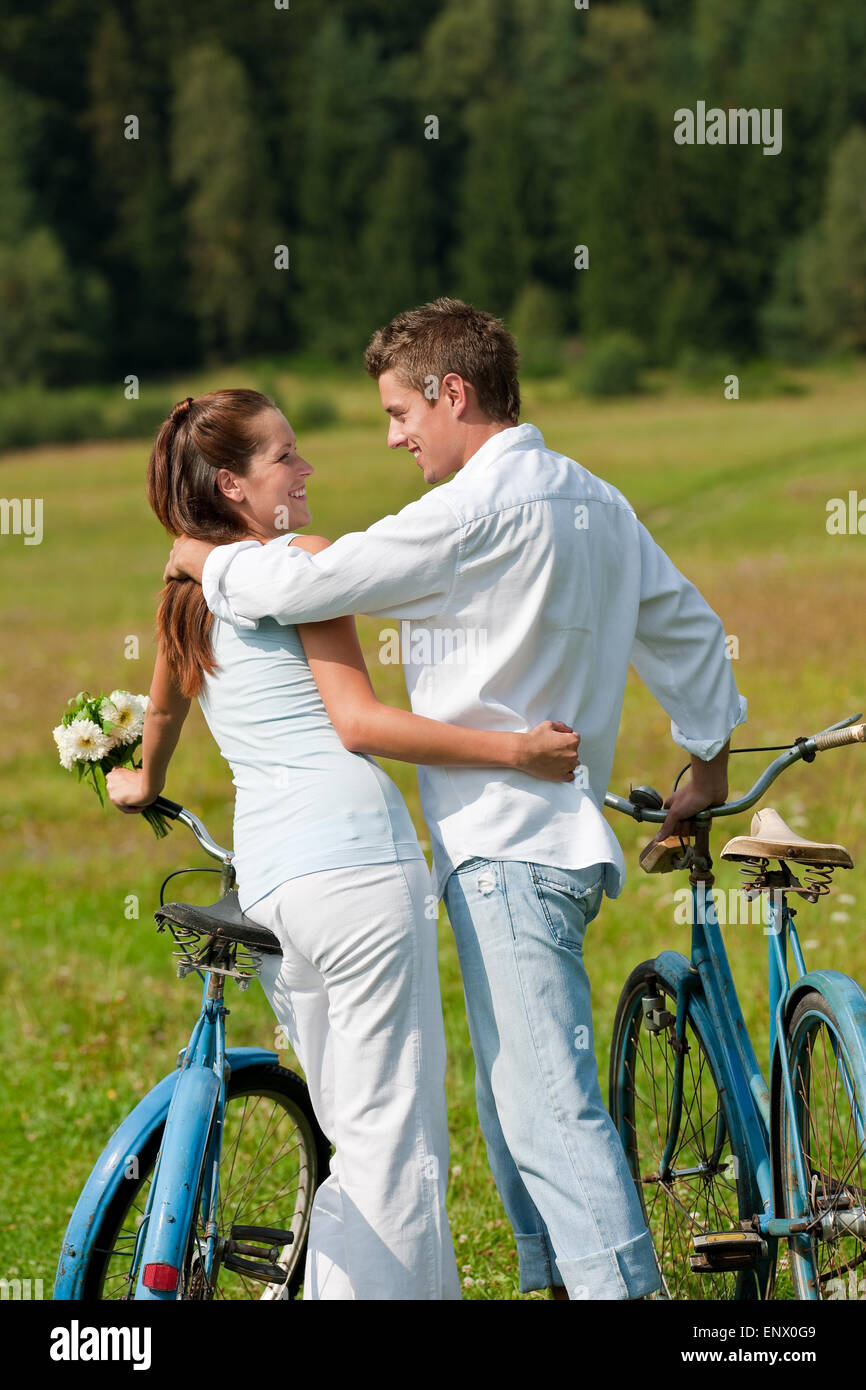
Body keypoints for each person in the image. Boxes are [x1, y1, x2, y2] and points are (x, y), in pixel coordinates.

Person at [166, 300, 747, 1301]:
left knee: (545, 1110)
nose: (392, 437)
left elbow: (322, 578)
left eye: (400, 412)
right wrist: (708, 762)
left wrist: (208, 560)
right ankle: (551, 1281)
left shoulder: (473, 507)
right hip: (548, 850)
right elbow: (688, 630)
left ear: (453, 394)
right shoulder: (595, 499)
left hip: (507, 841)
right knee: (509, 1091)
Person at [105, 387, 581, 1301]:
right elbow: (359, 725)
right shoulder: (302, 564)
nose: (308, 468)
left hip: (278, 891)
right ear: (233, 485)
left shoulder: (184, 597)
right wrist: (513, 749)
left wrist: (143, 783)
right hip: (359, 870)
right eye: (285, 456)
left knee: (352, 1135)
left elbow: (161, 710)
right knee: (392, 1151)